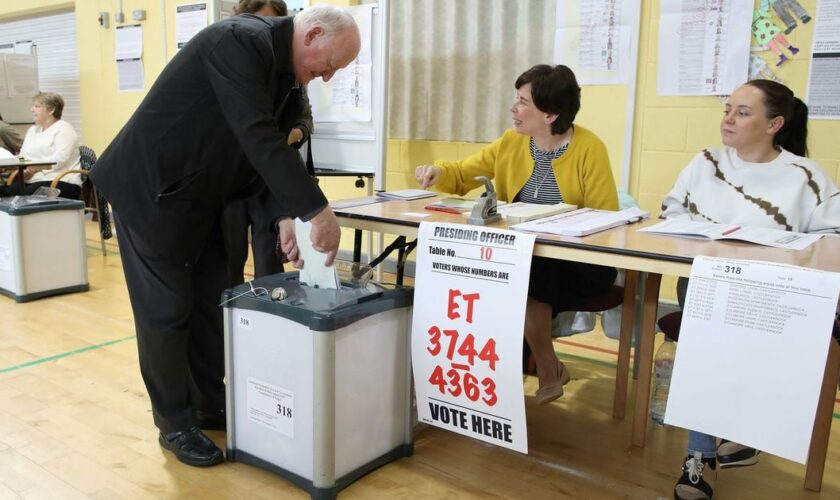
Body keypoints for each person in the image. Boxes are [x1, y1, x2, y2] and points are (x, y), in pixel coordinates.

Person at [89, 6, 360, 467]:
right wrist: (316, 211)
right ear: (312, 34)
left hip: (204, 197)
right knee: (167, 311)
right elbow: (257, 136)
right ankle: (174, 424)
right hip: (151, 192)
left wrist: (284, 217)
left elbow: (269, 152)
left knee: (213, 302)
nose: (328, 77)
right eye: (330, 65)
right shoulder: (237, 41)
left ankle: (209, 404)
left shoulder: (289, 78)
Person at [662, 80, 840, 500]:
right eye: (727, 109)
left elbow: (833, 236)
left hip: (773, 292)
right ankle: (715, 446)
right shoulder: (705, 161)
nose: (728, 119)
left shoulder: (806, 176)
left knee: (720, 340)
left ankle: (720, 443)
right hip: (706, 280)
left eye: (742, 113)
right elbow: (672, 211)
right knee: (708, 337)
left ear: (775, 124)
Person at [415, 64, 619, 406]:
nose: (514, 108)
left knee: (526, 273)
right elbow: (465, 173)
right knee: (482, 270)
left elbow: (607, 220)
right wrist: (438, 171)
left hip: (580, 261)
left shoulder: (589, 148)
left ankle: (547, 368)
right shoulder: (512, 142)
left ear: (551, 114)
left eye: (523, 102)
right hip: (523, 254)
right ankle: (481, 375)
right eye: (517, 98)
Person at [222, 0, 315, 287]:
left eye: (270, 23)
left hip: (270, 181)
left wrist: (289, 136)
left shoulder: (292, 76)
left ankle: (269, 317)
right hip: (233, 181)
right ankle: (230, 320)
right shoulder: (232, 64)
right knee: (229, 259)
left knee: (269, 261)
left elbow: (305, 118)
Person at [9, 93, 82, 199]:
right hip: (31, 180)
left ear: (51, 110)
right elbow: (22, 156)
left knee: (20, 198)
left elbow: (60, 159)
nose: (32, 109)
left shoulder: (64, 129)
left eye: (37, 106)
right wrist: (21, 168)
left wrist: (35, 169)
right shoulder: (32, 130)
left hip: (60, 180)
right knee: (4, 192)